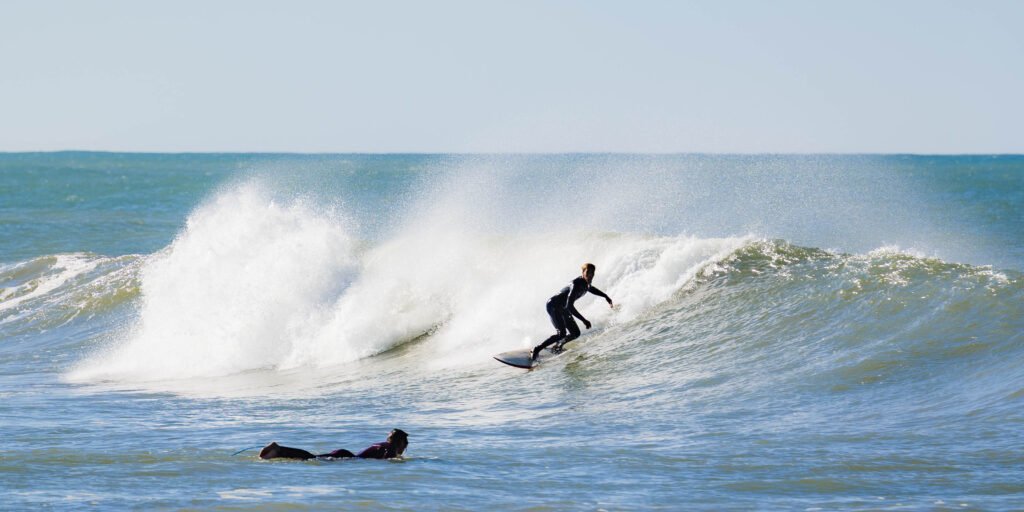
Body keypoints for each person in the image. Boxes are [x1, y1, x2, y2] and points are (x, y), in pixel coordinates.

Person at [531, 263, 613, 360]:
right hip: (554, 305)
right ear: (582, 272)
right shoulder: (575, 285)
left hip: (563, 308)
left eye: (592, 273)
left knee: (575, 333)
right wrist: (584, 320)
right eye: (588, 272)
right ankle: (537, 349)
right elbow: (570, 306)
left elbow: (591, 289)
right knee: (561, 333)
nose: (590, 275)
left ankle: (558, 346)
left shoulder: (586, 284)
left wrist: (605, 296)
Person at [258, 429, 409, 461]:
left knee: (312, 458)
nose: (405, 446)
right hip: (346, 457)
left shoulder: (383, 444)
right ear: (401, 441)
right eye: (405, 443)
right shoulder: (390, 449)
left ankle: (278, 452)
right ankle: (278, 449)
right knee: (311, 458)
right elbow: (389, 460)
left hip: (345, 454)